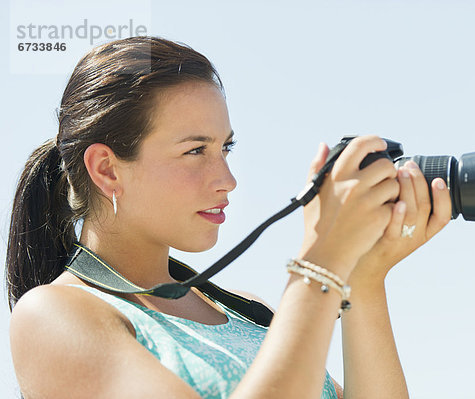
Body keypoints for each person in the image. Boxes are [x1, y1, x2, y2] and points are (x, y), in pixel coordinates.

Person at [6, 36, 452, 399]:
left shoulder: (247, 313)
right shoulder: (54, 317)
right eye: (195, 150)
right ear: (106, 169)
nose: (227, 179)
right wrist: (321, 263)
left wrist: (364, 278)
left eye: (225, 149)